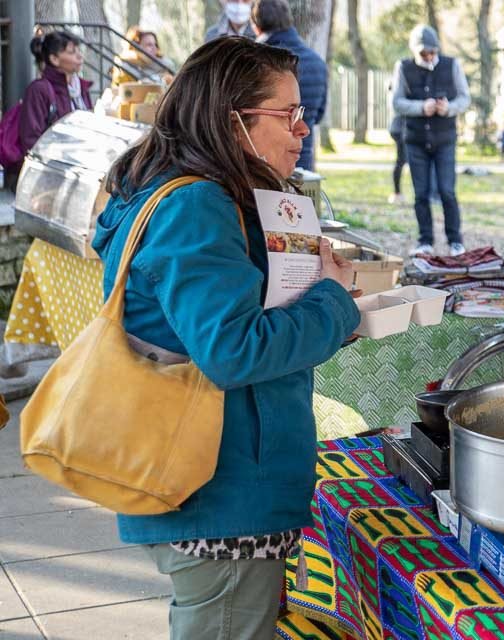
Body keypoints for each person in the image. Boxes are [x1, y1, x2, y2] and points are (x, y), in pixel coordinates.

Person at [92, 37, 360, 639]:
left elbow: (230, 325)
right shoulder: (196, 206)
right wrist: (333, 304)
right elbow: (233, 350)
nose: (302, 129)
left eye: (303, 113)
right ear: (231, 121)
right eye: (286, 114)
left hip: (218, 483)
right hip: (217, 493)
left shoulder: (203, 195)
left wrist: (323, 306)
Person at [393, 25, 470, 257]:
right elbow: (396, 102)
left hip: (445, 139)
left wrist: (449, 108)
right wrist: (420, 107)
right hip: (415, 140)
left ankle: (455, 240)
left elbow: (465, 98)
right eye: (423, 53)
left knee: (447, 191)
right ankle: (425, 240)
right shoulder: (403, 67)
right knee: (421, 193)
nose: (428, 57)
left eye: (431, 52)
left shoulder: (452, 65)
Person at [251, 0, 327, 171]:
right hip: (303, 160)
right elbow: (319, 115)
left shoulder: (255, 62)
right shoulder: (317, 62)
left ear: (256, 25)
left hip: (265, 164)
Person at [18, 32, 91, 161]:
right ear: (54, 59)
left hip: (80, 162)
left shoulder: (81, 88)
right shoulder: (38, 90)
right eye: (72, 52)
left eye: (79, 51)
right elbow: (31, 139)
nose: (80, 56)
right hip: (52, 168)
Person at [388, 61, 407, 204]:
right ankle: (397, 192)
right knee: (401, 160)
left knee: (401, 160)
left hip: (398, 127)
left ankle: (397, 191)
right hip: (401, 128)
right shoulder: (398, 88)